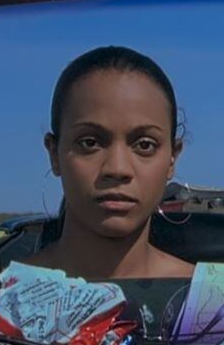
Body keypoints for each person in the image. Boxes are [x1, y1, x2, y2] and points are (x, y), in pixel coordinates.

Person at [26, 46, 193, 279]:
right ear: (54, 153)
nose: (117, 169)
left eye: (145, 145)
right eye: (89, 143)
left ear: (172, 158)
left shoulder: (211, 298)